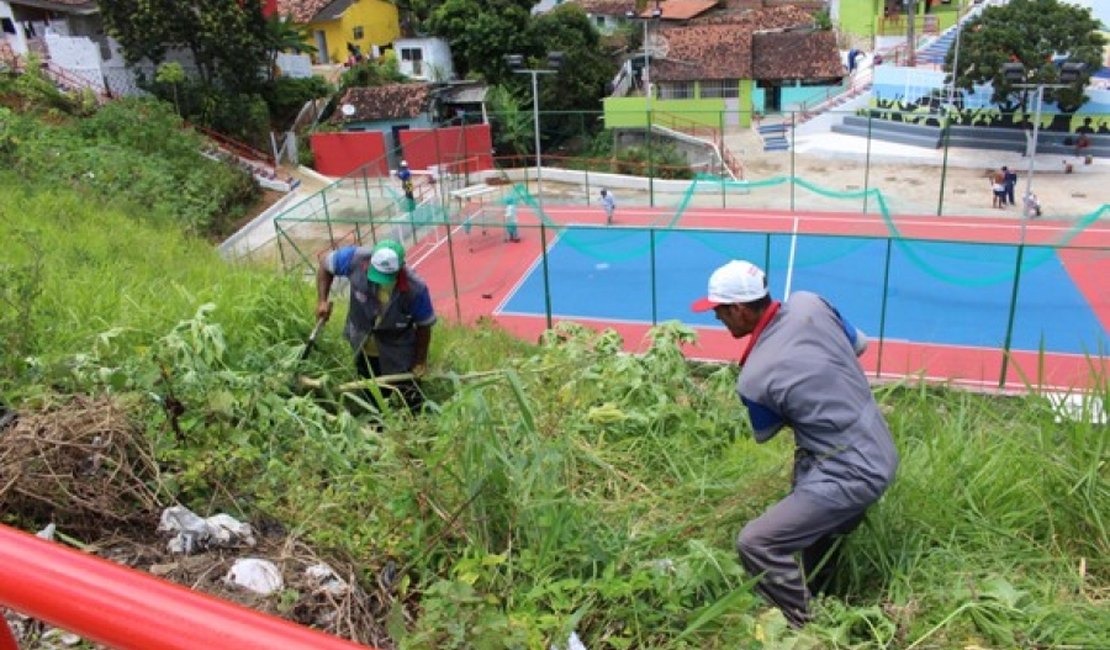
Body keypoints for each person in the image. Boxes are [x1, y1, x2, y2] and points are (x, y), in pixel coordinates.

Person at [691, 260, 899, 628]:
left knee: (756, 542)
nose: (718, 319)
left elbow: (767, 431)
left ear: (739, 309)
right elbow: (859, 345)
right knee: (816, 514)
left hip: (851, 472)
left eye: (720, 311)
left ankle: (807, 626)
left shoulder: (754, 378)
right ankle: (825, 595)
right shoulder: (810, 303)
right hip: (879, 445)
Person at [316, 239, 436, 410]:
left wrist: (420, 361)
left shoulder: (415, 288)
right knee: (371, 397)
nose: (380, 282)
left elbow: (424, 326)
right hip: (363, 343)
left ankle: (416, 424)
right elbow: (324, 265)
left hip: (398, 350)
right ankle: (376, 425)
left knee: (411, 398)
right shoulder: (354, 259)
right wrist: (322, 301)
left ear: (399, 269)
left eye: (387, 277)